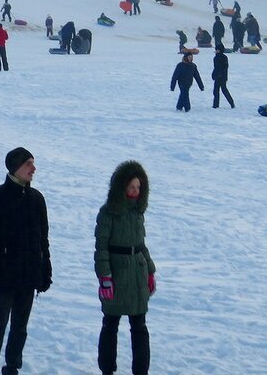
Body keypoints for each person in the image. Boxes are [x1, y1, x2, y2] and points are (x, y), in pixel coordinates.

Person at [0, 147, 51, 375]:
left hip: (28, 275)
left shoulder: (37, 199)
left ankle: (12, 367)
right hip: (3, 276)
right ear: (15, 167)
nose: (34, 169)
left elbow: (43, 241)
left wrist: (45, 270)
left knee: (20, 328)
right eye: (29, 164)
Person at [95, 161, 157, 375]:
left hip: (137, 274)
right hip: (117, 275)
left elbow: (141, 244)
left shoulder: (138, 212)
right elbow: (101, 248)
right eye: (131, 187)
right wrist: (105, 277)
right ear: (121, 187)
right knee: (110, 324)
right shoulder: (108, 213)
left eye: (138, 188)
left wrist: (150, 270)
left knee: (139, 326)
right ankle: (107, 370)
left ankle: (141, 371)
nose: (135, 192)